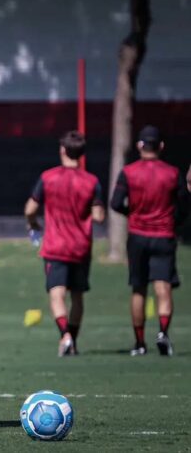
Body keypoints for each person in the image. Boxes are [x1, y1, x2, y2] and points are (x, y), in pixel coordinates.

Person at [24, 131, 105, 356]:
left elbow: (30, 209)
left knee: (57, 294)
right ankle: (73, 341)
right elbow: (99, 217)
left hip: (56, 246)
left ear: (62, 150)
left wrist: (33, 224)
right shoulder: (92, 182)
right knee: (77, 296)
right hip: (80, 247)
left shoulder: (48, 177)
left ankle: (65, 336)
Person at [111, 126, 188, 356]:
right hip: (164, 236)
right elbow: (184, 205)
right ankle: (163, 333)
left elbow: (116, 203)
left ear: (139, 146)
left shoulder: (128, 172)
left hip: (137, 237)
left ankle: (140, 343)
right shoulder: (173, 173)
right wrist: (173, 222)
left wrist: (132, 214)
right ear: (161, 146)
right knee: (163, 287)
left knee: (138, 289)